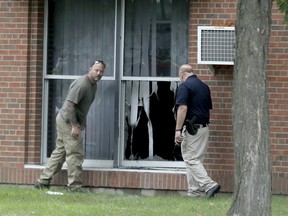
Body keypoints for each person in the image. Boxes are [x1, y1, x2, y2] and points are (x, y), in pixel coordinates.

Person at [34, 60, 106, 192]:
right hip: (67, 121)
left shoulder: (93, 84)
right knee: (75, 154)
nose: (99, 73)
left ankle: (42, 181)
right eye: (96, 70)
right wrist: (74, 125)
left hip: (67, 119)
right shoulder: (82, 84)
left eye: (101, 71)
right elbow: (69, 106)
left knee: (60, 152)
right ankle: (74, 187)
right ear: (90, 69)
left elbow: (79, 106)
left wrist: (82, 120)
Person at [174, 64, 221, 198]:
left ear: (182, 75)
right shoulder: (204, 86)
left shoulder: (184, 86)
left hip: (192, 129)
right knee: (195, 160)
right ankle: (193, 192)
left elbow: (182, 108)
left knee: (190, 158)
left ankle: (209, 185)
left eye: (180, 78)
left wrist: (178, 130)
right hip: (203, 128)